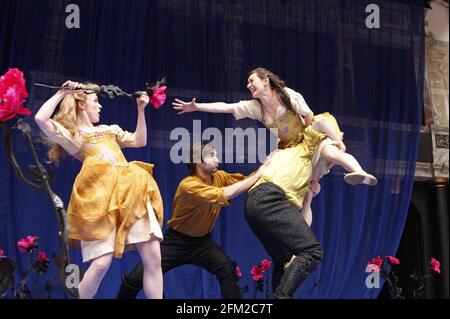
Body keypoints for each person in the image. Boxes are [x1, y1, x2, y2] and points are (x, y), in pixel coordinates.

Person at [34, 80, 164, 299]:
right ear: (82, 104)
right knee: (102, 263)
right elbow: (40, 119)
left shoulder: (108, 130)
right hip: (101, 198)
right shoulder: (75, 138)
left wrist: (141, 110)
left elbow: (140, 141)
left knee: (154, 258)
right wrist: (62, 93)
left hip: (131, 192)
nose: (100, 106)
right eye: (96, 101)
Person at [116, 140, 272, 299]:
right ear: (198, 160)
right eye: (212, 155)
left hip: (202, 243)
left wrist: (266, 167)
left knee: (226, 269)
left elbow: (247, 182)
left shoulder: (219, 177)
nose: (217, 160)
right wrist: (260, 172)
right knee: (136, 278)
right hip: (177, 241)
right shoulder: (188, 186)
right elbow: (225, 194)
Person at [173, 67, 377, 187]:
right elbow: (226, 107)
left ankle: (360, 172)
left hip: (307, 135)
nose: (248, 85)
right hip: (289, 147)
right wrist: (196, 106)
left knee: (331, 152)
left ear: (265, 81)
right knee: (304, 193)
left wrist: (313, 142)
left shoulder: (287, 95)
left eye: (251, 81)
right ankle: (299, 250)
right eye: (247, 83)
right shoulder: (255, 108)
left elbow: (309, 116)